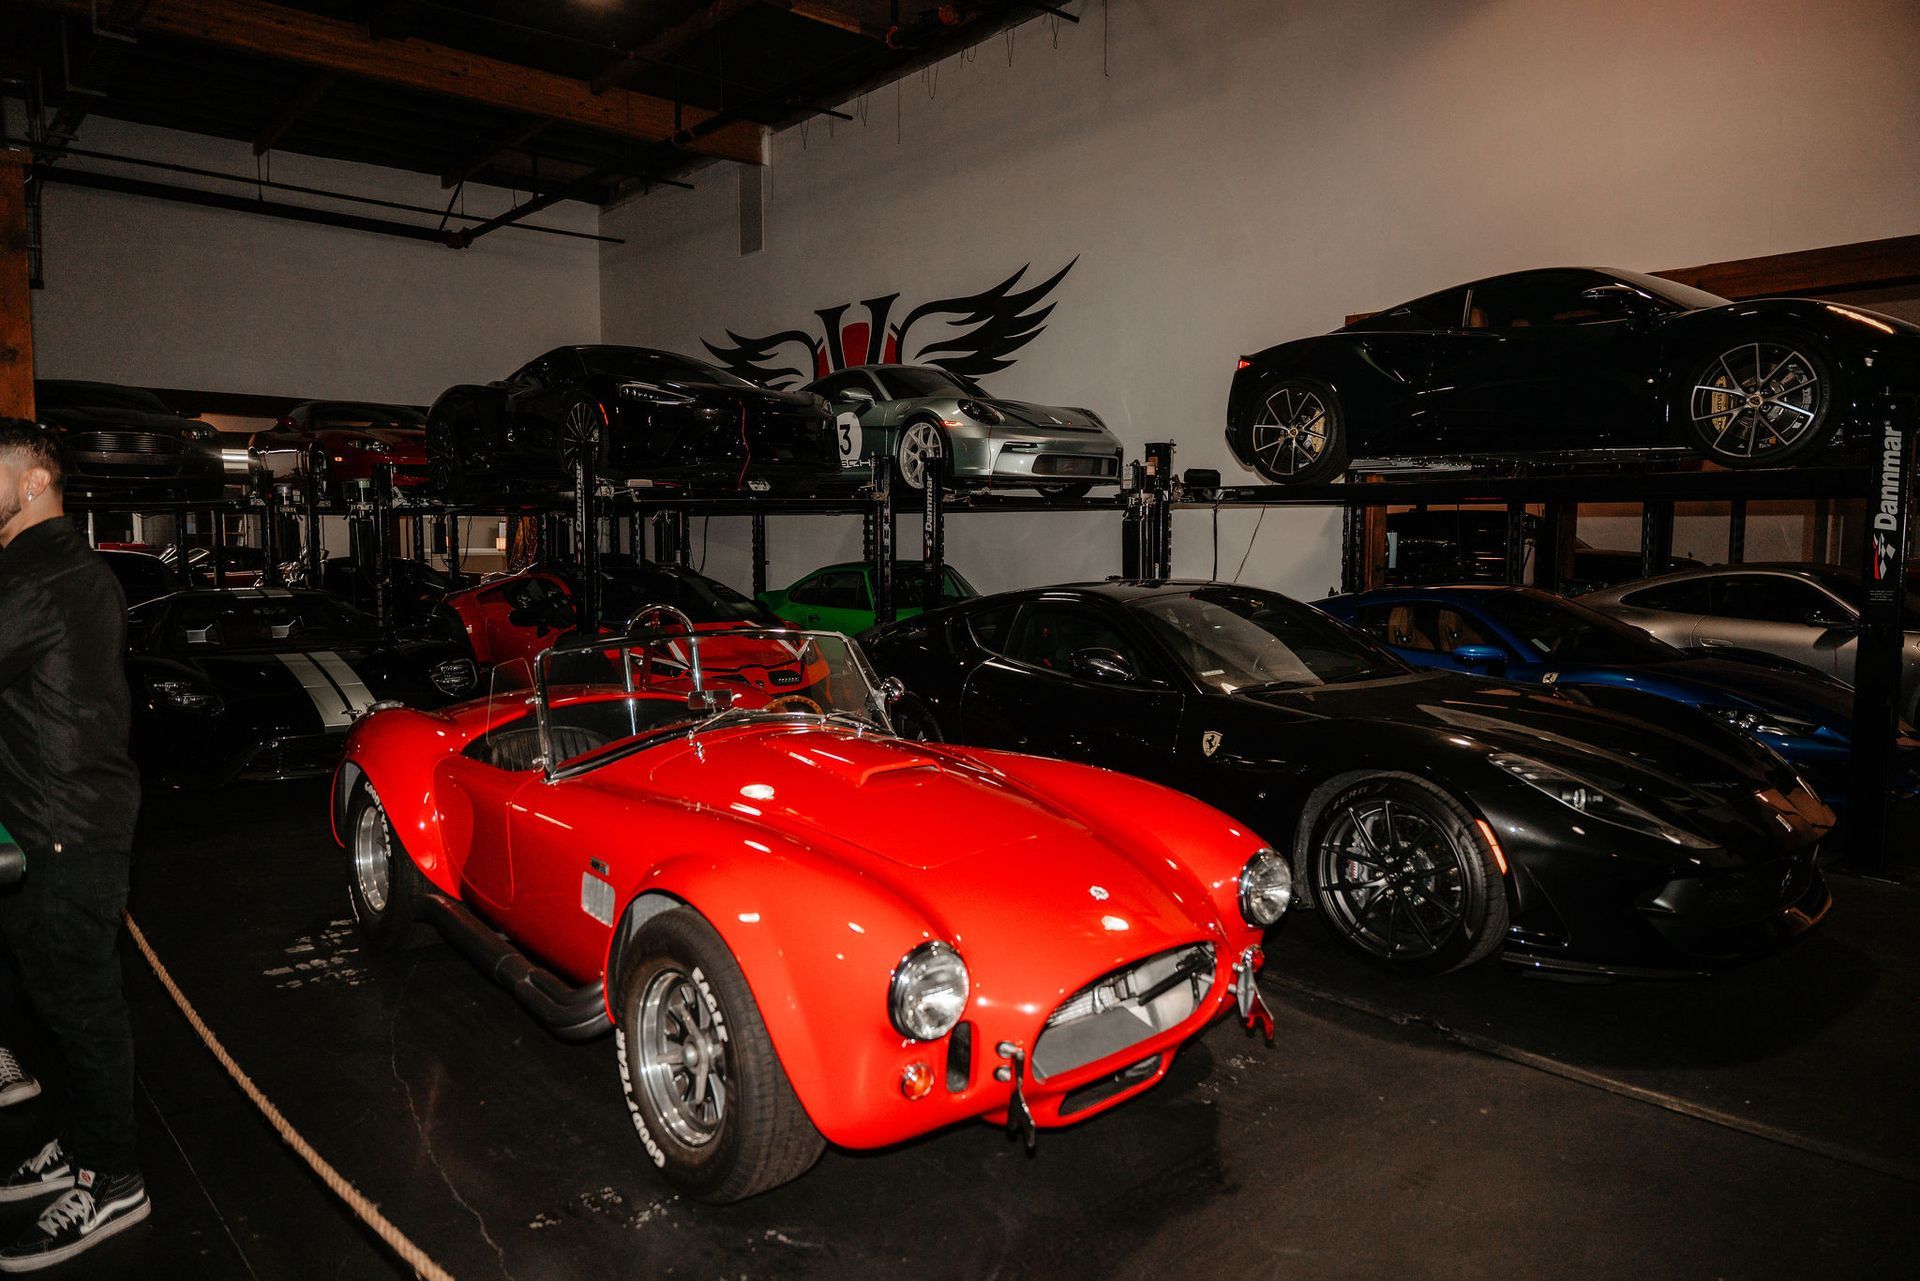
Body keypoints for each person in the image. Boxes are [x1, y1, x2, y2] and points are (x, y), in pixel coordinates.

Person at [0, 418, 147, 1272]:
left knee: (83, 1011)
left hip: (68, 833)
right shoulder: (47, 567)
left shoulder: (44, 573)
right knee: (55, 1004)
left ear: (31, 483)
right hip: (51, 826)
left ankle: (115, 1175)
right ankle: (79, 1137)